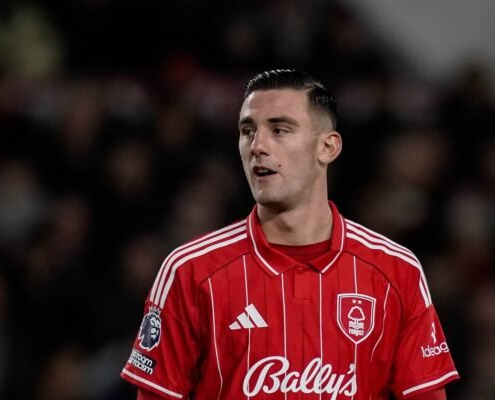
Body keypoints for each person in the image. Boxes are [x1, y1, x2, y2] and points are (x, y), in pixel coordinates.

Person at [120, 69, 459, 399]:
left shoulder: (396, 271)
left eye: (280, 130)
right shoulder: (190, 271)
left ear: (327, 147)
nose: (257, 146)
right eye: (248, 131)